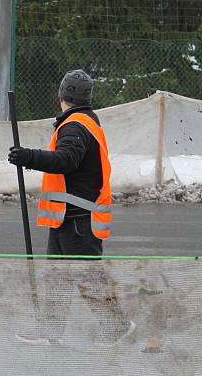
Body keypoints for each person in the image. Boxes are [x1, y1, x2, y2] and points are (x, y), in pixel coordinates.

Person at [7, 69, 134, 346]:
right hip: (69, 216)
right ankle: (51, 329)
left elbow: (66, 160)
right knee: (59, 278)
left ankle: (116, 325)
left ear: (62, 94)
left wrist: (27, 156)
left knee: (87, 277)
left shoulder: (76, 126)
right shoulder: (84, 122)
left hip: (77, 218)